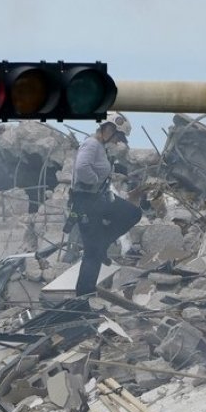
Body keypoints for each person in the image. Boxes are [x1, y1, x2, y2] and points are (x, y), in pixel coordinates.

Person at [68, 112, 142, 297]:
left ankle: (102, 244)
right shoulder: (91, 144)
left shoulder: (100, 147)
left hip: (97, 201)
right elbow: (82, 168)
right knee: (91, 255)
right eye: (117, 136)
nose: (117, 141)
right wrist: (95, 182)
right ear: (109, 129)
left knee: (132, 213)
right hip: (86, 202)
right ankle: (82, 299)